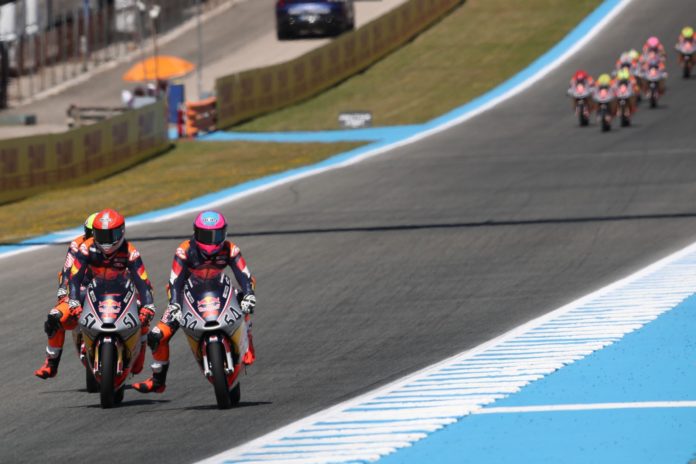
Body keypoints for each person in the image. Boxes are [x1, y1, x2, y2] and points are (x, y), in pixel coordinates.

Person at [133, 211, 257, 394]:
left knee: (245, 301)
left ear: (224, 233)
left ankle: (248, 342)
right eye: (206, 235)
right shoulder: (184, 250)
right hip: (186, 298)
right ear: (196, 233)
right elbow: (175, 281)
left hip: (220, 292)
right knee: (157, 336)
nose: (211, 241)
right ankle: (158, 380)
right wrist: (174, 304)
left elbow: (244, 275)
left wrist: (249, 294)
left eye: (216, 235)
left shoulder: (231, 249)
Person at [66, 209, 156, 374]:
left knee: (143, 313)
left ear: (121, 232)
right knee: (72, 310)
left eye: (110, 235)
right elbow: (74, 277)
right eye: (101, 235)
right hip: (94, 288)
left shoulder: (130, 251)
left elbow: (142, 281)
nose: (106, 241)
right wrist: (73, 300)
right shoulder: (86, 248)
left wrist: (148, 305)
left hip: (122, 289)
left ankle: (140, 349)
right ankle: (83, 341)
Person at [35, 213, 98, 379]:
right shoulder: (77, 244)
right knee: (54, 317)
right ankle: (51, 363)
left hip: (108, 295)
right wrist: (63, 291)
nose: (95, 239)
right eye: (91, 233)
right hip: (80, 293)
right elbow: (67, 269)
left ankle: (136, 356)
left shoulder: (121, 249)